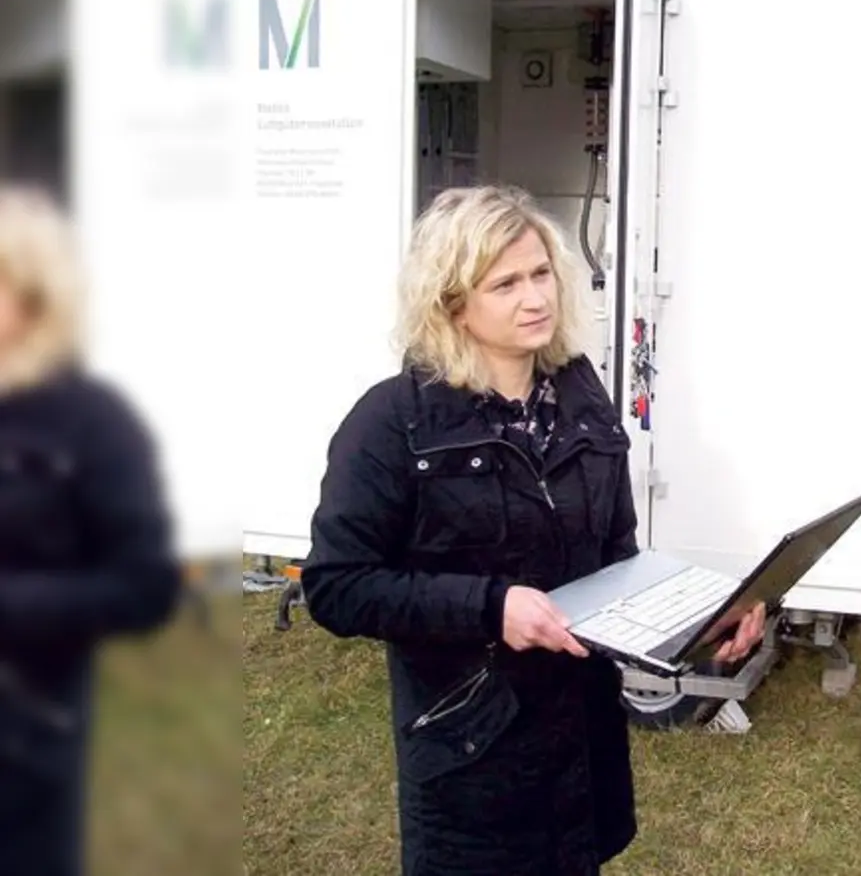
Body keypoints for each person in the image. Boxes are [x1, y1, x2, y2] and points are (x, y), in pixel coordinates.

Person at [299, 184, 767, 876]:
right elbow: (338, 586)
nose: (535, 297)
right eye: (506, 284)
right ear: (452, 302)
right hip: (471, 754)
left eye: (541, 273)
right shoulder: (392, 423)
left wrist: (704, 620)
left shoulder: (580, 393)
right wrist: (493, 608)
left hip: (580, 745)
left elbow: (616, 561)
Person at [0, 186, 183, 875]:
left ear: (37, 296)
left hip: (25, 734)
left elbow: (144, 586)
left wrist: (13, 606)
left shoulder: (93, 423)